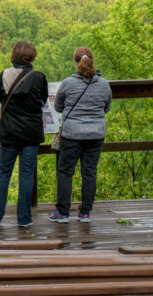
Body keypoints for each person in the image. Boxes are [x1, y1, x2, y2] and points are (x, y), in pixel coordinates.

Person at [0, 41, 48, 228]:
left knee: (3, 172)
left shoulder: (4, 75)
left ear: (13, 56)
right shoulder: (38, 77)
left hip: (9, 132)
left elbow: (2, 98)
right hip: (31, 132)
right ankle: (24, 219)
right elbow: (44, 100)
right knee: (26, 174)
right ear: (32, 56)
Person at [49, 46, 112, 223]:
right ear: (92, 61)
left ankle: (62, 213)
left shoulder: (68, 83)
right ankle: (85, 213)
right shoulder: (104, 84)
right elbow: (106, 107)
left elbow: (58, 107)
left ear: (76, 62)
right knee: (90, 173)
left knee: (65, 173)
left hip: (72, 134)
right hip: (96, 134)